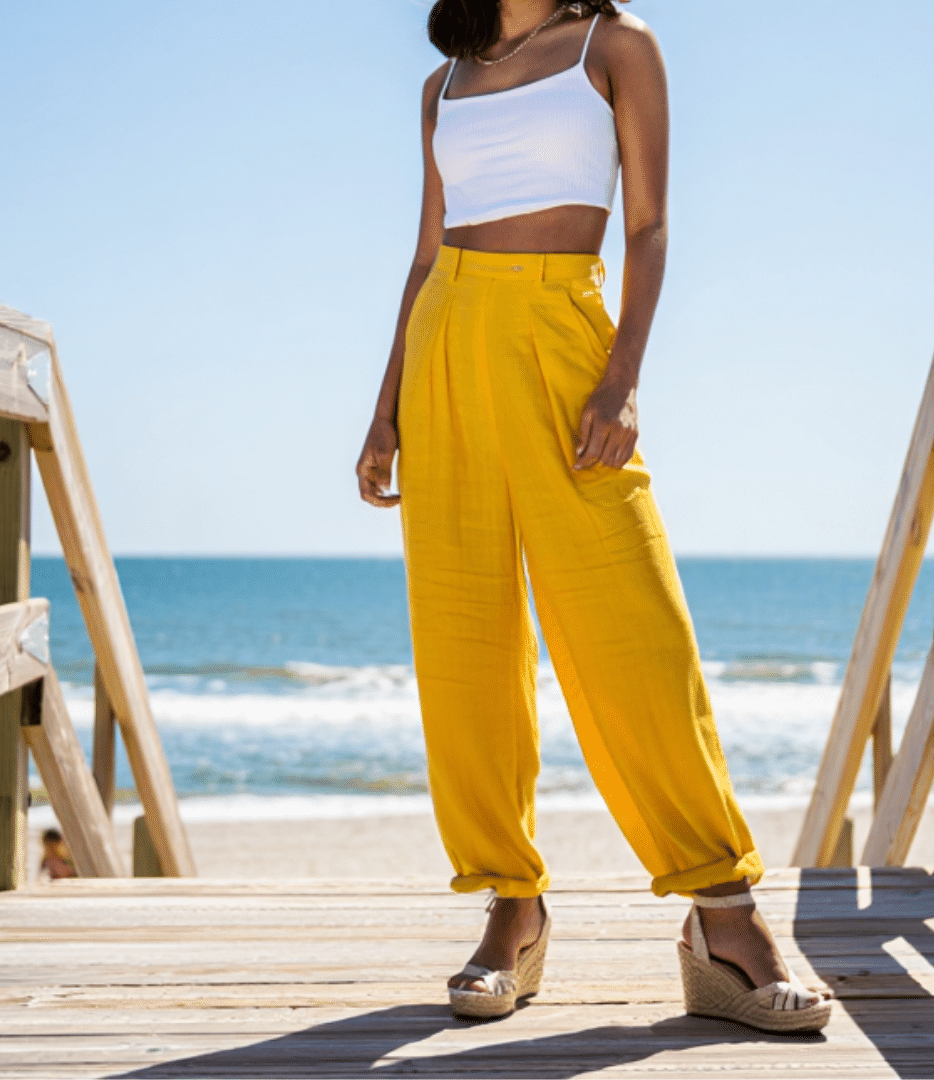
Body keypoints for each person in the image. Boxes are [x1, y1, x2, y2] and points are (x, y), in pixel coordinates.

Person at [355, 0, 832, 1033]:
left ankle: (724, 915)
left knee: (634, 629)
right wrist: (385, 408)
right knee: (465, 641)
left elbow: (652, 225)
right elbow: (427, 254)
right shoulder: (440, 85)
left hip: (564, 333)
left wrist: (620, 382)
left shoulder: (615, 47)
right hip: (446, 347)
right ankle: (510, 911)